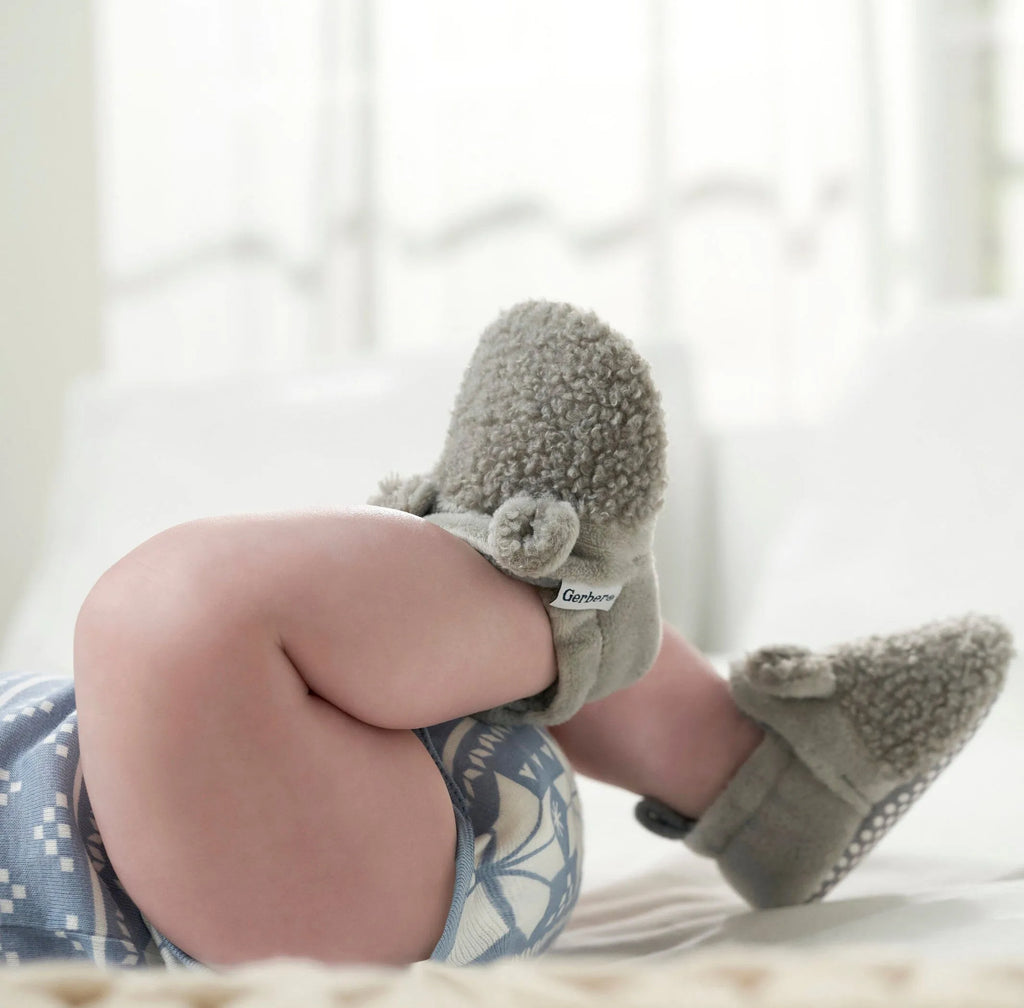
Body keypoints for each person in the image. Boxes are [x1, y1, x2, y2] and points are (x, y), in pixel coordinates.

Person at [0, 302, 1012, 969]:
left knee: (201, 652)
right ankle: (542, 599)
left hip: (278, 782)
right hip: (240, 905)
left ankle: (756, 774)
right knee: (167, 617)